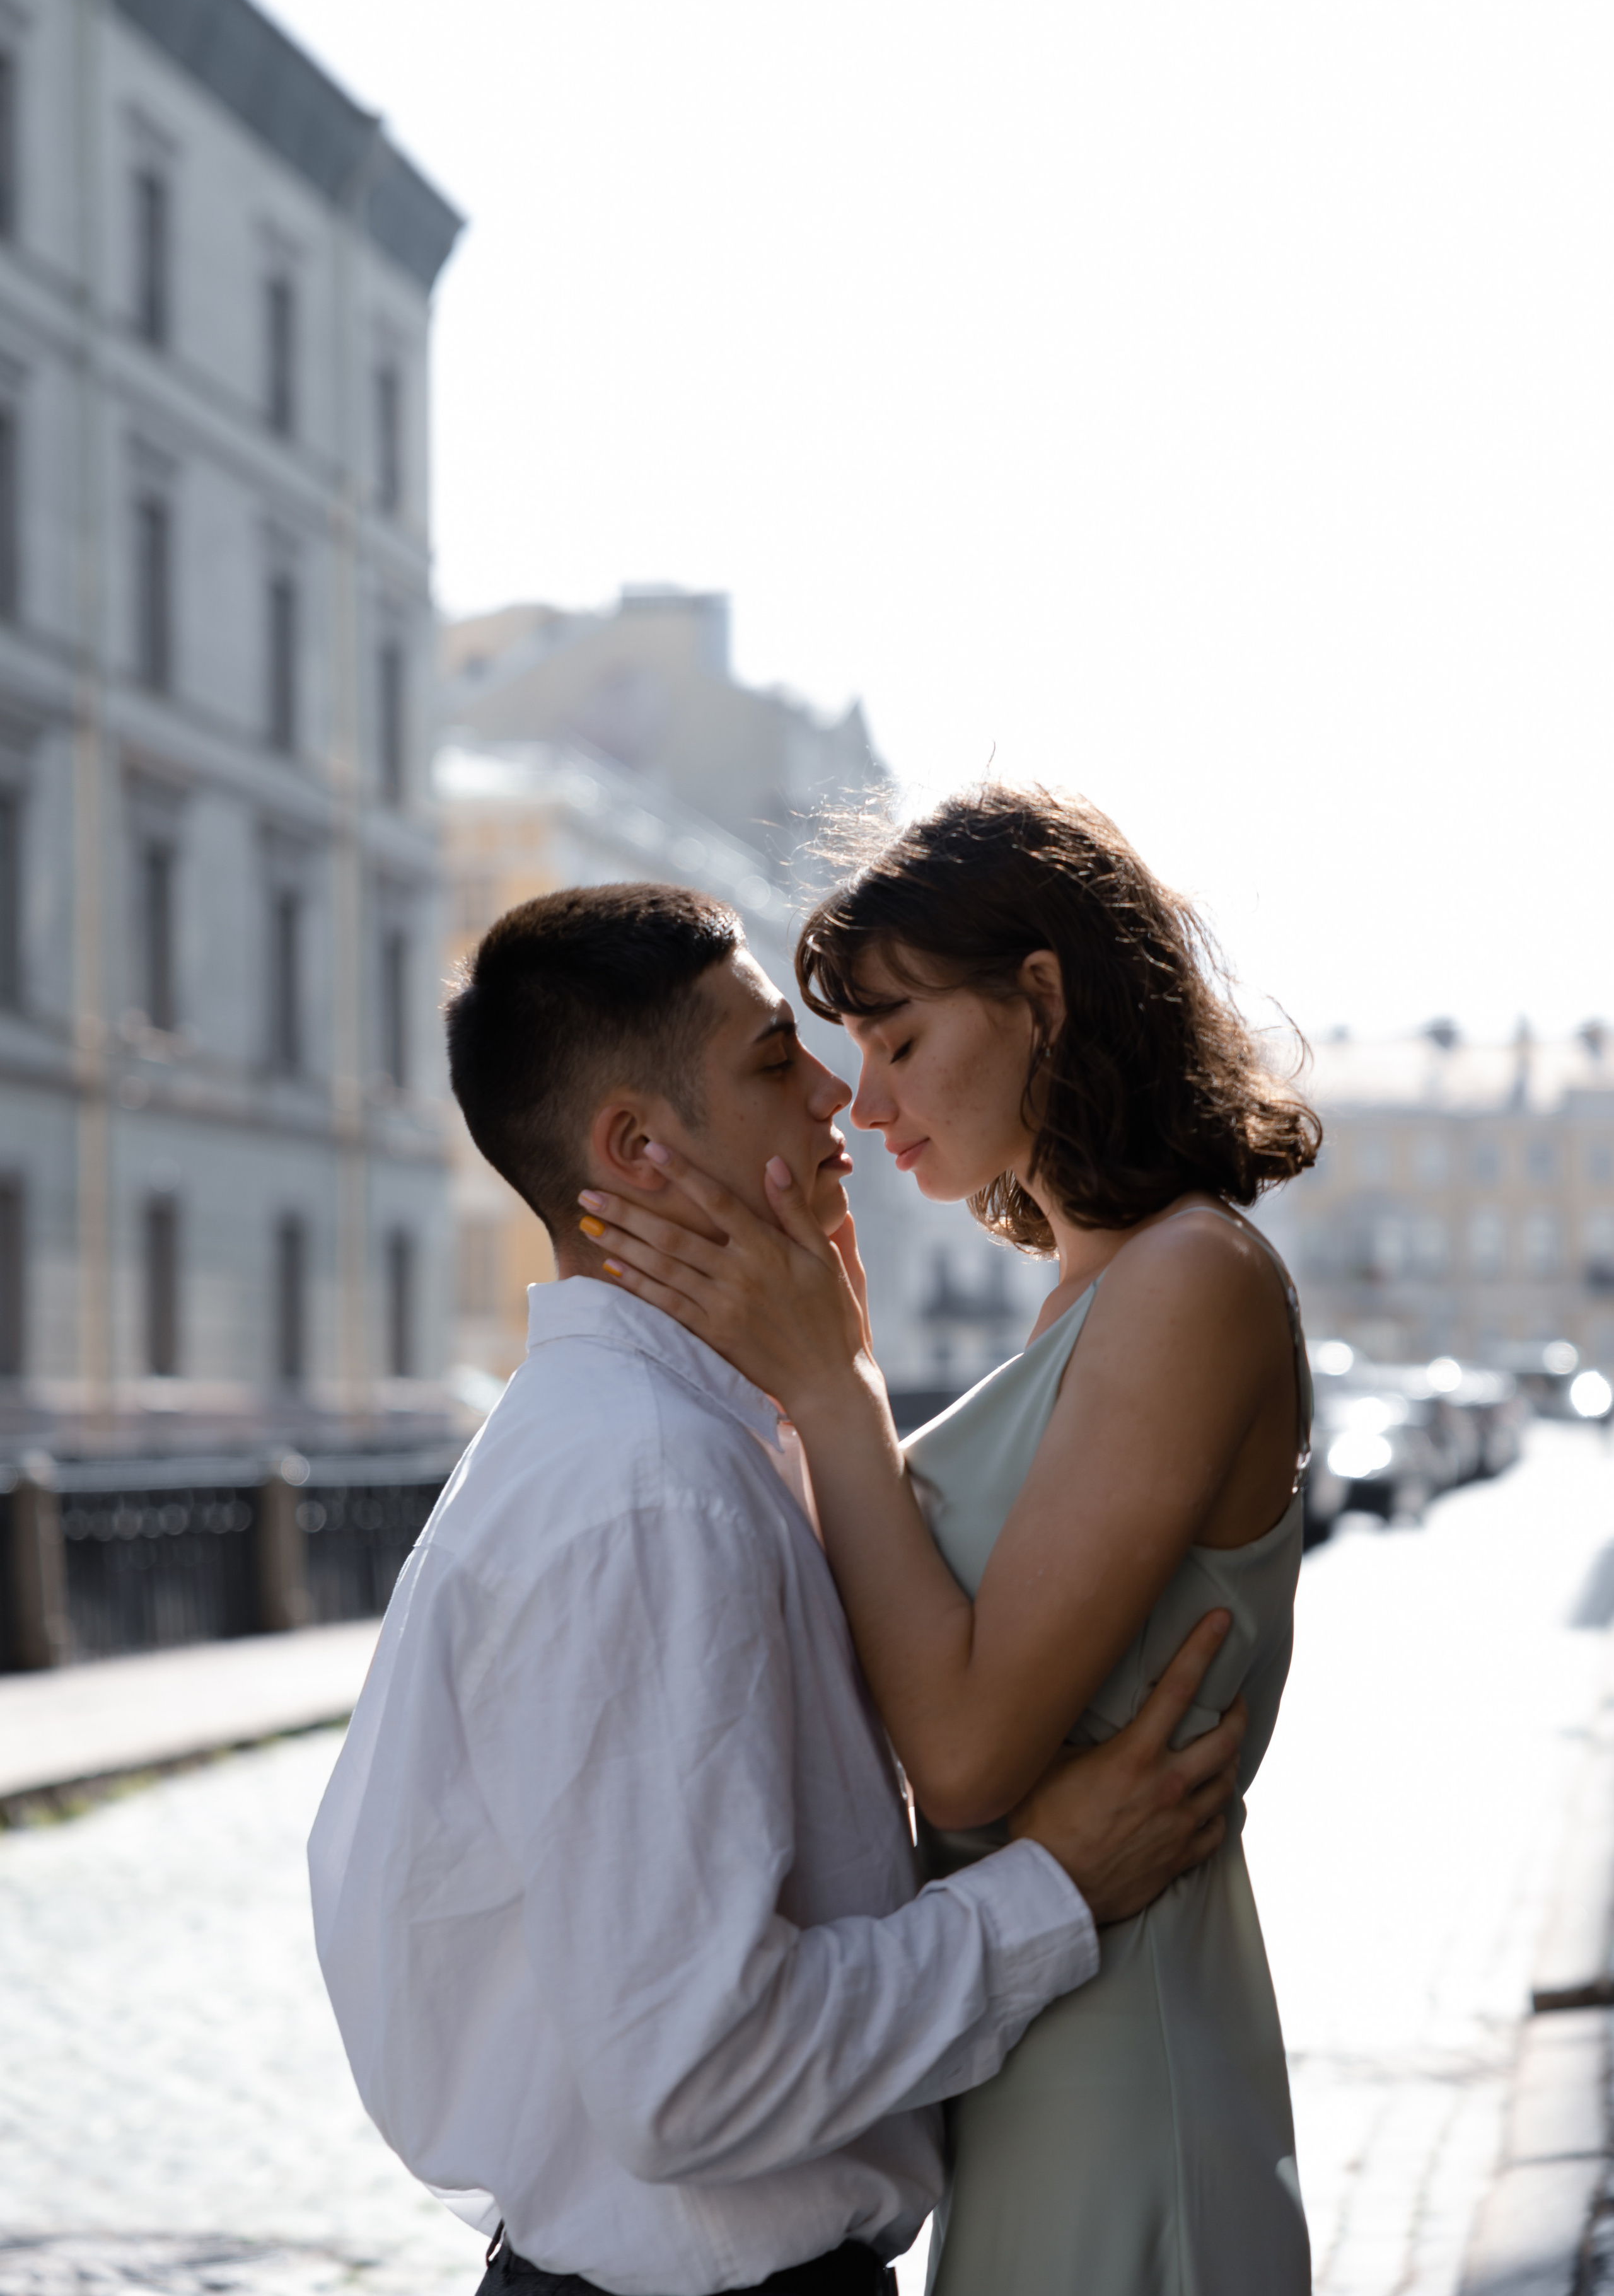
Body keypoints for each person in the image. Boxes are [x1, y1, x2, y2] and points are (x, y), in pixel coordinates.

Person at [308, 879, 1249, 2296]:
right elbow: (696, 2079)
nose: (834, 1097)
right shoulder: (647, 1486)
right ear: (636, 1150)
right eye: (770, 1059)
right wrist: (1054, 1890)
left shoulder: (666, 1443)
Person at [581, 788, 1321, 2295]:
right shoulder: (1094, 1291)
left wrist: (832, 1385)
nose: (863, 1101)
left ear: (1039, 997)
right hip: (1032, 2050)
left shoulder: (1192, 1280)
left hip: (1127, 2072)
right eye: (851, 1051)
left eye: (902, 1039)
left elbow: (972, 1756)